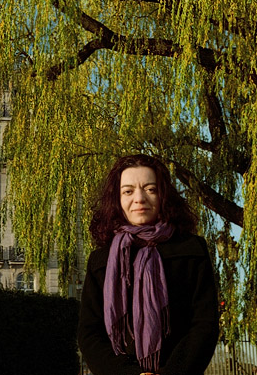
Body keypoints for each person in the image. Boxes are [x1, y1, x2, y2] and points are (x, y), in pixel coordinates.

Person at [78, 154, 219, 375]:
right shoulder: (100, 261)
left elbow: (204, 324)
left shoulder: (191, 251)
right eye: (128, 191)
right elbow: (89, 334)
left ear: (163, 195)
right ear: (117, 199)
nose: (139, 198)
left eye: (150, 189)